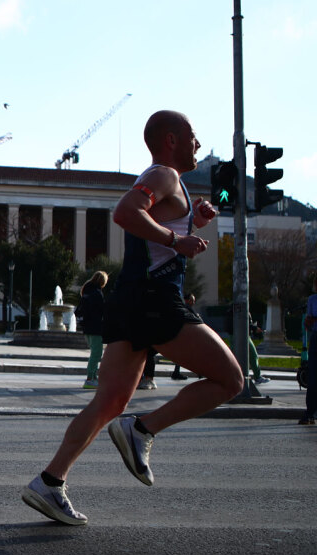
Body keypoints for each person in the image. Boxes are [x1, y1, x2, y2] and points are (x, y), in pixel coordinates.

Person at [21, 110, 243, 525]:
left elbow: (150, 231)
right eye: (192, 136)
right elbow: (125, 212)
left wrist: (191, 222)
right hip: (154, 299)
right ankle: (143, 428)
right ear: (172, 139)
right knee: (231, 380)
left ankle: (50, 481)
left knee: (108, 401)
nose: (198, 144)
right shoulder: (163, 175)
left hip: (131, 299)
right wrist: (178, 238)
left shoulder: (168, 183)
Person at [77, 271, 108, 389]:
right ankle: (90, 379)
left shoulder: (87, 291)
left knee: (94, 353)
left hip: (87, 328)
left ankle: (94, 377)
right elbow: (101, 311)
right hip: (95, 328)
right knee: (96, 354)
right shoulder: (97, 293)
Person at [300, 276, 317, 425]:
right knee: (313, 377)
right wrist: (308, 322)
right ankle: (310, 412)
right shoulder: (312, 299)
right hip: (316, 338)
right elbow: (308, 323)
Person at [171, 293, 198, 380]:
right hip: (185, 335)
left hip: (184, 335)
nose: (193, 302)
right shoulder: (186, 308)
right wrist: (197, 316)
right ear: (186, 300)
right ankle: (199, 372)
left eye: (194, 300)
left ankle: (176, 372)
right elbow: (196, 319)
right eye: (191, 300)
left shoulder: (185, 308)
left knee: (183, 355)